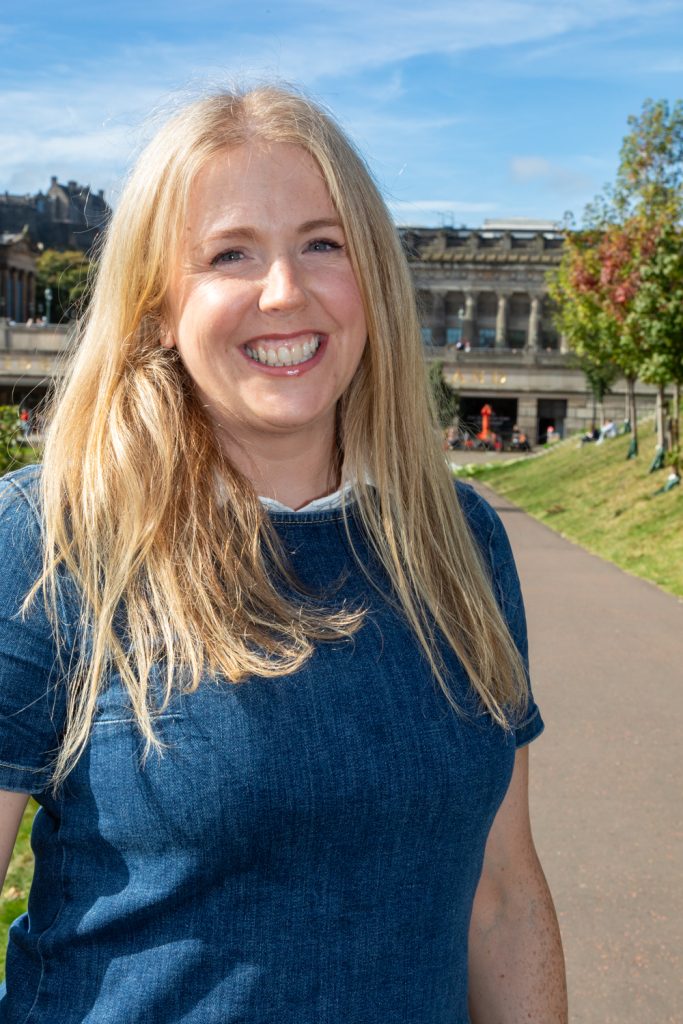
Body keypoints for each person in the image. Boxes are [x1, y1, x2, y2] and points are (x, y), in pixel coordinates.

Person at [0, 87, 567, 1023]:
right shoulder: (53, 541)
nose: (285, 292)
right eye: (230, 254)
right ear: (155, 308)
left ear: (371, 280)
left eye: (322, 244)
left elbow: (501, 896)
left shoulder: (460, 541)